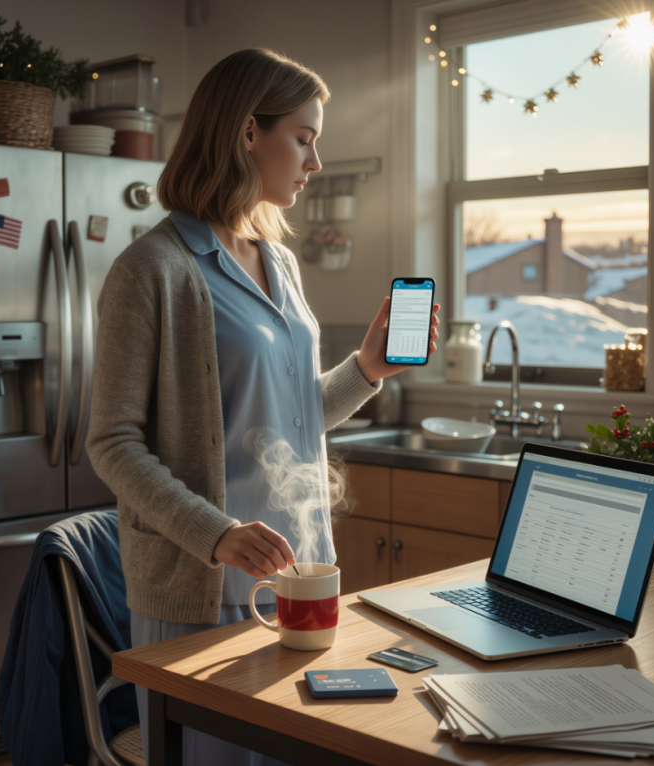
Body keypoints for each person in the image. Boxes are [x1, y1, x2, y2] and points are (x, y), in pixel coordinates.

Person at [87, 48, 440, 765]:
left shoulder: (278, 261)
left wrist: (367, 368)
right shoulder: (151, 271)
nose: (314, 160)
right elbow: (112, 442)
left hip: (304, 572)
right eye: (304, 137)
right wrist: (215, 533)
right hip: (204, 582)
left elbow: (290, 416)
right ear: (250, 132)